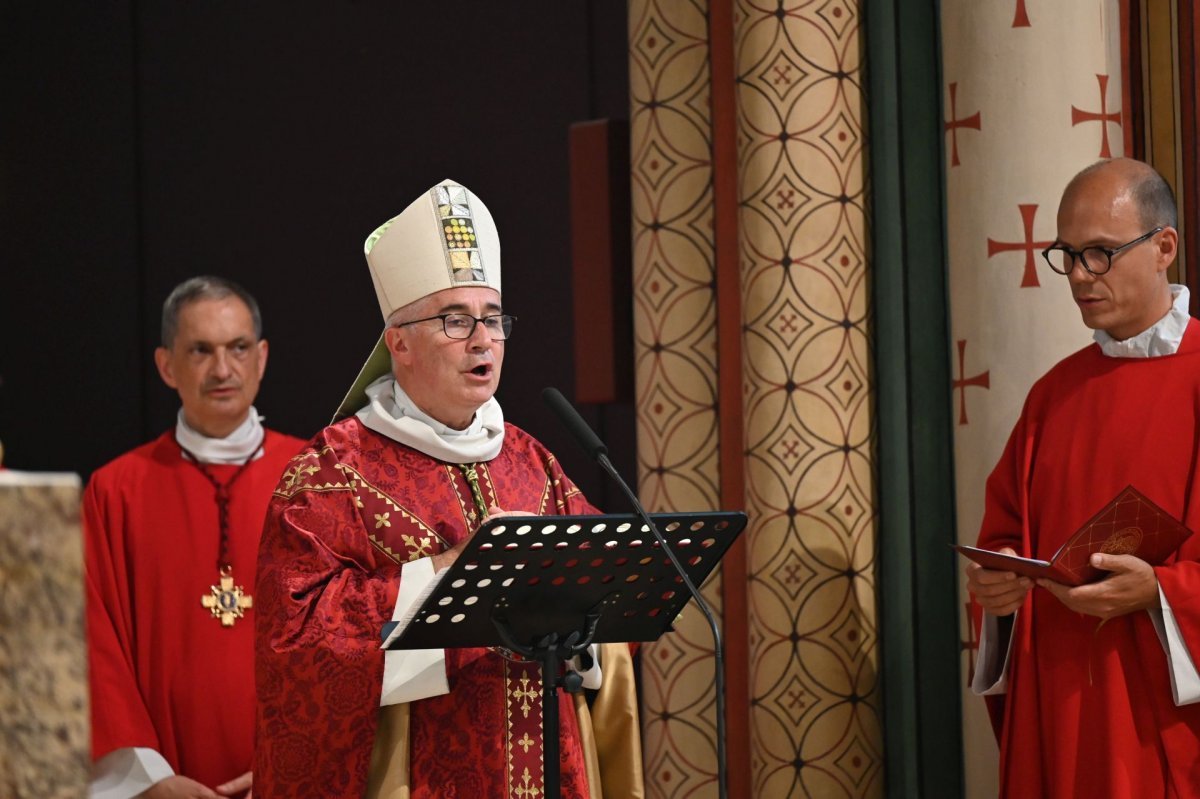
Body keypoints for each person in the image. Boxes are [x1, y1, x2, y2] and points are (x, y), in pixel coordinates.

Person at [253, 180, 643, 798]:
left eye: (493, 318)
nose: (483, 339)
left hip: (548, 768)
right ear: (398, 342)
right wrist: (442, 573)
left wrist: (582, 629)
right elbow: (296, 646)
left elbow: (611, 603)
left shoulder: (531, 460)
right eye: (455, 320)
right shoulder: (330, 473)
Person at [966, 157, 1200, 796]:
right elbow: (1006, 538)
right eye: (1066, 254)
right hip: (1061, 705)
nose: (1076, 275)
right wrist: (999, 583)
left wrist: (1161, 593)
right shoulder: (1053, 395)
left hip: (1163, 729)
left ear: (1163, 248)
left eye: (1099, 253)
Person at [85, 277, 305, 799]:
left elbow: (353, 636)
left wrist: (298, 764)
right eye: (201, 351)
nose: (223, 370)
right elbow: (93, 647)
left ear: (262, 358)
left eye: (238, 348)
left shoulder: (313, 476)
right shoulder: (116, 490)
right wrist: (150, 781)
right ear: (166, 365)